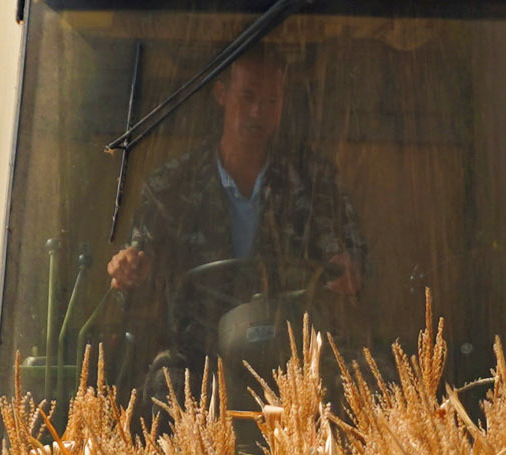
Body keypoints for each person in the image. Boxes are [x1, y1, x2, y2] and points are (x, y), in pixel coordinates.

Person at [106, 46, 364, 372]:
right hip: (197, 360)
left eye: (272, 101)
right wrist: (129, 272)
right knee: (161, 388)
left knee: (364, 380)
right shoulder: (170, 187)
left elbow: (344, 254)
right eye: (248, 97)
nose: (259, 112)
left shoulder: (315, 181)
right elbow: (138, 268)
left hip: (294, 361)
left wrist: (346, 268)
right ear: (221, 94)